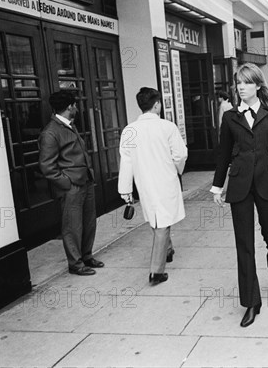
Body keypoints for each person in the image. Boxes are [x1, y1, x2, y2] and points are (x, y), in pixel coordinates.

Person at [211, 63, 268, 328]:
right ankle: (251, 301)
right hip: (240, 185)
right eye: (238, 83)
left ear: (258, 85)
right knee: (244, 244)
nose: (241, 87)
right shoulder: (230, 117)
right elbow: (223, 154)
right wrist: (216, 185)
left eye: (246, 83)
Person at [118, 87, 188, 285]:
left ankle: (167, 249)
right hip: (165, 179)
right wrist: (177, 169)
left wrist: (125, 189)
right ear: (157, 104)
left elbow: (126, 161)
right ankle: (156, 272)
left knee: (158, 219)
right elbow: (180, 154)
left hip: (144, 182)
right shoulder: (167, 127)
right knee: (162, 223)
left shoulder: (129, 130)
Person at [38, 90, 103, 276]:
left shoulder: (68, 125)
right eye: (74, 105)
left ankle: (87, 256)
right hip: (72, 186)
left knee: (89, 222)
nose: (76, 108)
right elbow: (47, 167)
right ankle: (75, 263)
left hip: (85, 181)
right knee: (72, 226)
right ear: (69, 107)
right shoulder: (51, 132)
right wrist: (66, 183)